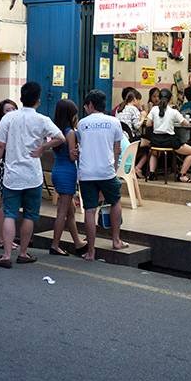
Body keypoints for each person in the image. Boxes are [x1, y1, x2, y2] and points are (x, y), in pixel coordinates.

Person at [0, 81, 63, 269]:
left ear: (21, 98)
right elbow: (60, 138)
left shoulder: (9, 118)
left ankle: (6, 255)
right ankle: (23, 253)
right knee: (30, 215)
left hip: (12, 176)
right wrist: (43, 147)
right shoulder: (42, 120)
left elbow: (0, 146)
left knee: (9, 213)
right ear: (38, 100)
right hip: (33, 175)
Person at [77, 89, 128, 261]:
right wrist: (113, 167)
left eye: (86, 106)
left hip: (86, 172)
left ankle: (91, 251)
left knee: (90, 210)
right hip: (106, 171)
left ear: (90, 105)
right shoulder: (114, 122)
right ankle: (116, 240)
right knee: (115, 202)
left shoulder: (82, 124)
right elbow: (117, 148)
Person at [48, 99, 87, 257]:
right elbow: (72, 156)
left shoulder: (56, 130)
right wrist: (79, 151)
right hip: (67, 172)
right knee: (62, 212)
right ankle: (55, 245)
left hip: (58, 169)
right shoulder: (70, 132)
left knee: (70, 211)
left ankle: (77, 242)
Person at [146, 88, 191, 183]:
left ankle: (152, 174)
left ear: (159, 98)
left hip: (156, 141)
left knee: (154, 152)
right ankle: (182, 175)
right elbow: (185, 123)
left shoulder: (153, 109)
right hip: (169, 141)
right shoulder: (173, 111)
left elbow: (148, 124)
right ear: (170, 99)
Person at [0, 98, 18, 249]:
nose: (11, 112)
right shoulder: (5, 127)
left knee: (6, 203)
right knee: (4, 203)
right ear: (1, 113)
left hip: (10, 166)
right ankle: (1, 238)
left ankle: (4, 237)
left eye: (13, 109)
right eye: (7, 110)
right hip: (6, 166)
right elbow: (0, 147)